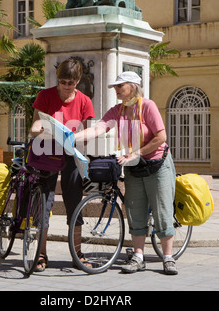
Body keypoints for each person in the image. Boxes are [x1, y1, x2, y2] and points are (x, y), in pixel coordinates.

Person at [74, 71, 178, 275]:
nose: (116, 89)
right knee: (134, 210)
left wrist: (137, 153)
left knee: (162, 210)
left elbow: (161, 136)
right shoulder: (117, 110)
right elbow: (99, 128)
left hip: (157, 164)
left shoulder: (147, 106)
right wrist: (72, 137)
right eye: (115, 86)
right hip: (134, 166)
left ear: (133, 86)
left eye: (120, 86)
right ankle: (138, 257)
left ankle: (168, 257)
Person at [30, 58, 95, 272]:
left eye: (71, 82)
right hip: (46, 153)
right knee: (44, 203)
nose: (66, 86)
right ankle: (41, 253)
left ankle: (77, 254)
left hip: (70, 155)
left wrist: (72, 137)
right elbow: (34, 126)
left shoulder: (84, 101)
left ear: (78, 81)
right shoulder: (45, 96)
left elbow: (86, 136)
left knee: (74, 203)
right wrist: (42, 131)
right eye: (62, 81)